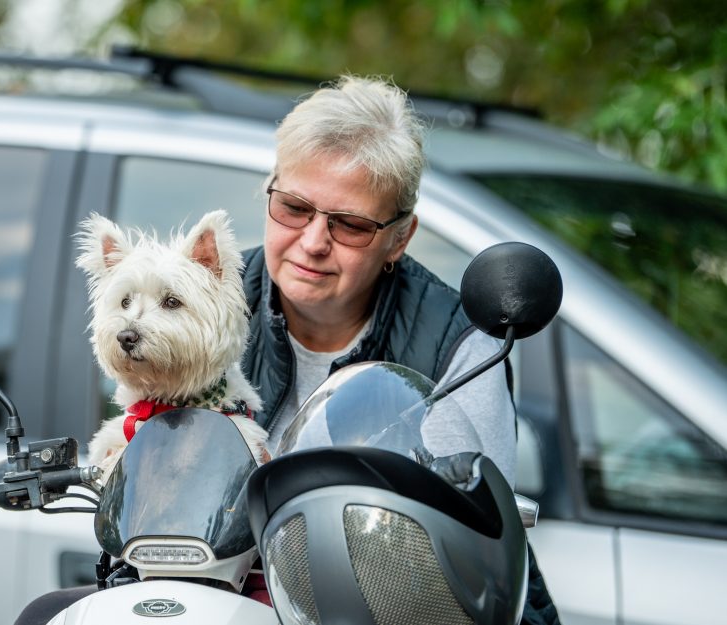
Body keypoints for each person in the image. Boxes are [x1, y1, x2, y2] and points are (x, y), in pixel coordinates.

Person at [239, 75, 560, 625]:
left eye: (350, 226)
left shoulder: (460, 342)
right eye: (294, 208)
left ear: (399, 238)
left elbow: (477, 539)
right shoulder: (206, 296)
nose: (314, 242)